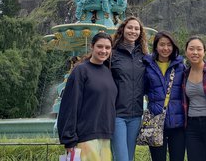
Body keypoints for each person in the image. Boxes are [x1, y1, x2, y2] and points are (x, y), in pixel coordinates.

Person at [57, 32, 117, 161]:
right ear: (92, 47)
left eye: (107, 48)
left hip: (105, 136)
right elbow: (70, 105)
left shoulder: (108, 71)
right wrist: (69, 139)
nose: (103, 51)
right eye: (100, 47)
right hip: (85, 137)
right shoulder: (81, 71)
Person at [143, 31, 186, 161]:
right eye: (162, 44)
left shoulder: (180, 66)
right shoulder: (147, 66)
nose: (165, 48)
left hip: (177, 123)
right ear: (156, 46)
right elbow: (143, 89)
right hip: (156, 122)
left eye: (169, 45)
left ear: (173, 47)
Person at [110, 16, 148, 161]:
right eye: (130, 27)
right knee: (122, 158)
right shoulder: (112, 54)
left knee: (129, 157)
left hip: (136, 115)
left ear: (140, 32)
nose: (133, 31)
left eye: (136, 28)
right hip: (117, 114)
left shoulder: (144, 56)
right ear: (123, 29)